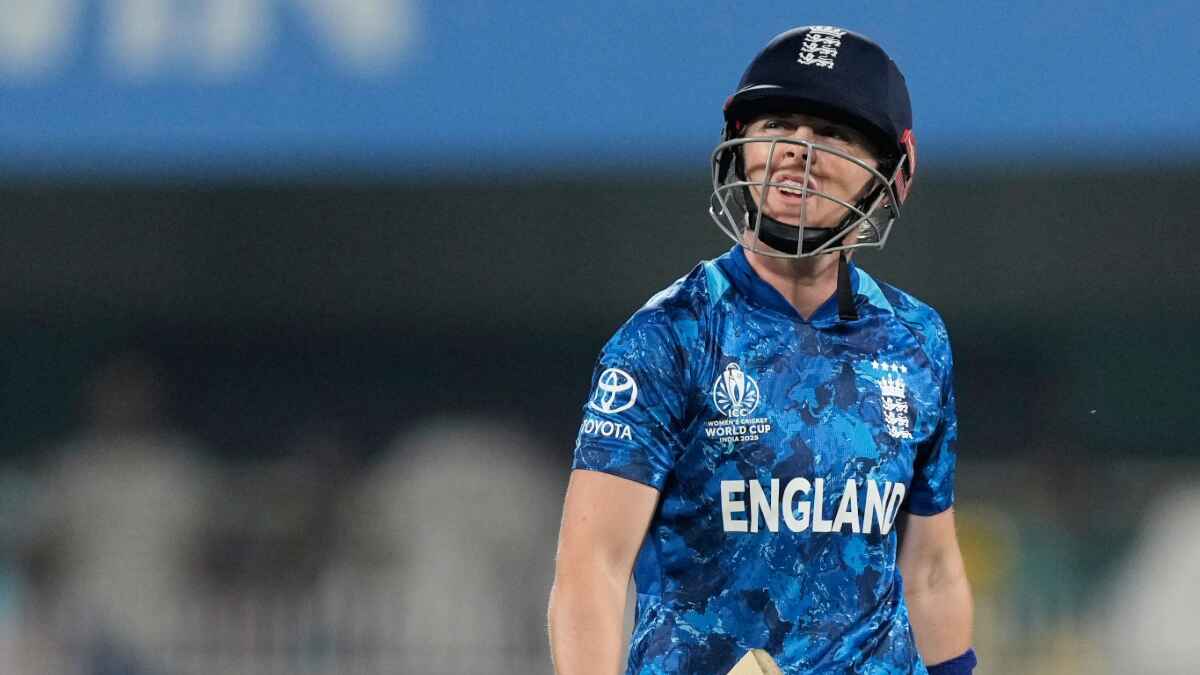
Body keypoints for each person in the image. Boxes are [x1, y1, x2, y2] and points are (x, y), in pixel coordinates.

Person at [548, 26, 975, 675]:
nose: (797, 150)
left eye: (834, 133)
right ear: (740, 145)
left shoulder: (916, 340)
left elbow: (932, 568)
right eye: (779, 122)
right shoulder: (670, 338)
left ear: (894, 173)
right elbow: (591, 571)